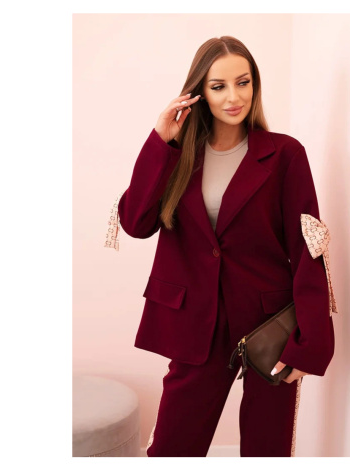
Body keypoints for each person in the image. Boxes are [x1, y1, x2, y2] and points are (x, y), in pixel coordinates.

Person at [104, 36, 338, 457]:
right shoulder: (178, 155)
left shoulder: (285, 154)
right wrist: (160, 141)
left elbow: (308, 248)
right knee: (172, 449)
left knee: (267, 451)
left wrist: (312, 341)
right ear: (199, 92)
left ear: (255, 85)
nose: (234, 97)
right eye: (219, 86)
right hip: (195, 324)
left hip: (270, 326)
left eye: (243, 82)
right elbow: (136, 223)